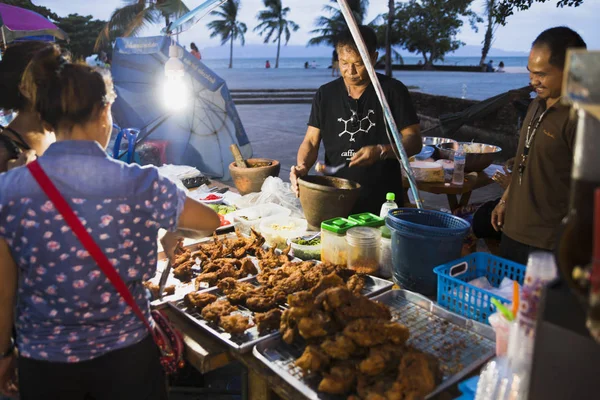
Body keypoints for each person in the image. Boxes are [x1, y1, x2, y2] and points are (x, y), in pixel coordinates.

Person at [0, 44, 220, 399]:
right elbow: (210, 221)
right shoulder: (141, 183)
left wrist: (3, 358)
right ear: (105, 112)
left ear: (46, 118)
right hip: (127, 362)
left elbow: (3, 292)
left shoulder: (8, 191)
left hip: (44, 365)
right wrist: (172, 229)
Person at [290, 25, 422, 215]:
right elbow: (311, 141)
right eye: (344, 62)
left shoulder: (393, 91)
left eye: (358, 63)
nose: (350, 71)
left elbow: (414, 140)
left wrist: (381, 151)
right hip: (335, 195)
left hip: (383, 200)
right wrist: (302, 166)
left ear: (374, 58)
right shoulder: (325, 94)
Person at [491, 26, 587, 265]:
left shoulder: (581, 118)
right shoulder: (537, 103)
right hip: (513, 231)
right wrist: (506, 199)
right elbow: (526, 160)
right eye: (530, 72)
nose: (533, 81)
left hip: (549, 243)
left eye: (542, 74)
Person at [0, 41, 59, 173]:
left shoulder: (58, 132)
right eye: (55, 79)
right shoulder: (4, 152)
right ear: (26, 88)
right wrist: (12, 181)